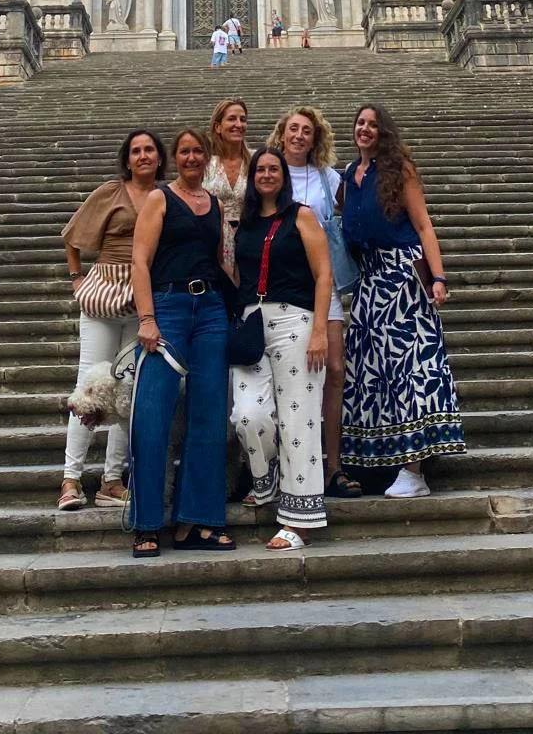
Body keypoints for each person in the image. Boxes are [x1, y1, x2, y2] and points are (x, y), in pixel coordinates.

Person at [341, 104, 465, 496]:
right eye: (361, 123)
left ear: (384, 132)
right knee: (371, 373)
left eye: (373, 125)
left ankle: (415, 471)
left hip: (402, 277)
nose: (365, 130)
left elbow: (423, 224)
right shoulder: (349, 175)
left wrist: (439, 276)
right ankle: (381, 462)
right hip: (368, 281)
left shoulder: (400, 171)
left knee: (412, 369)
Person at [129, 128, 234, 558]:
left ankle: (198, 521)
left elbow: (223, 262)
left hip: (209, 309)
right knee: (151, 414)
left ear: (207, 158)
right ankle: (147, 523)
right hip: (168, 307)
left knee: (208, 414)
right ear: (175, 158)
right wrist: (147, 317)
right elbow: (140, 260)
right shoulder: (159, 199)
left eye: (198, 152)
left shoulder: (215, 205)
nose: (192, 158)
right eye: (185, 152)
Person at [59, 129, 167, 511]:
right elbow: (72, 236)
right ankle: (70, 479)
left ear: (159, 157)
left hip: (142, 297)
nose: (143, 156)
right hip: (105, 292)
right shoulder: (111, 192)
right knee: (88, 384)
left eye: (149, 149)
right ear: (127, 159)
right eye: (136, 151)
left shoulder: (164, 196)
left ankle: (111, 480)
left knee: (128, 393)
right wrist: (77, 279)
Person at [231, 148, 332, 548]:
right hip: (252, 324)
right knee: (246, 415)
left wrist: (320, 330)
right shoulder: (246, 223)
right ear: (252, 177)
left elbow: (324, 273)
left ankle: (299, 521)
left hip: (296, 322)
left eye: (274, 169)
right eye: (261, 169)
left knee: (299, 421)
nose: (267, 174)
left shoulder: (301, 215)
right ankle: (266, 475)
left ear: (283, 176)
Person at [267, 106, 360, 499]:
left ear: (315, 137)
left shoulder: (329, 178)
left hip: (326, 286)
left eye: (307, 130)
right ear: (281, 134)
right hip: (282, 289)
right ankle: (277, 464)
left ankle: (331, 464)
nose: (299, 135)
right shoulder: (269, 175)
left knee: (335, 370)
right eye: (293, 129)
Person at [205, 98, 250, 272]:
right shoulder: (206, 164)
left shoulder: (255, 162)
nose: (238, 124)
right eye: (232, 119)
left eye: (243, 119)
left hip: (249, 238)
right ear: (218, 127)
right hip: (213, 240)